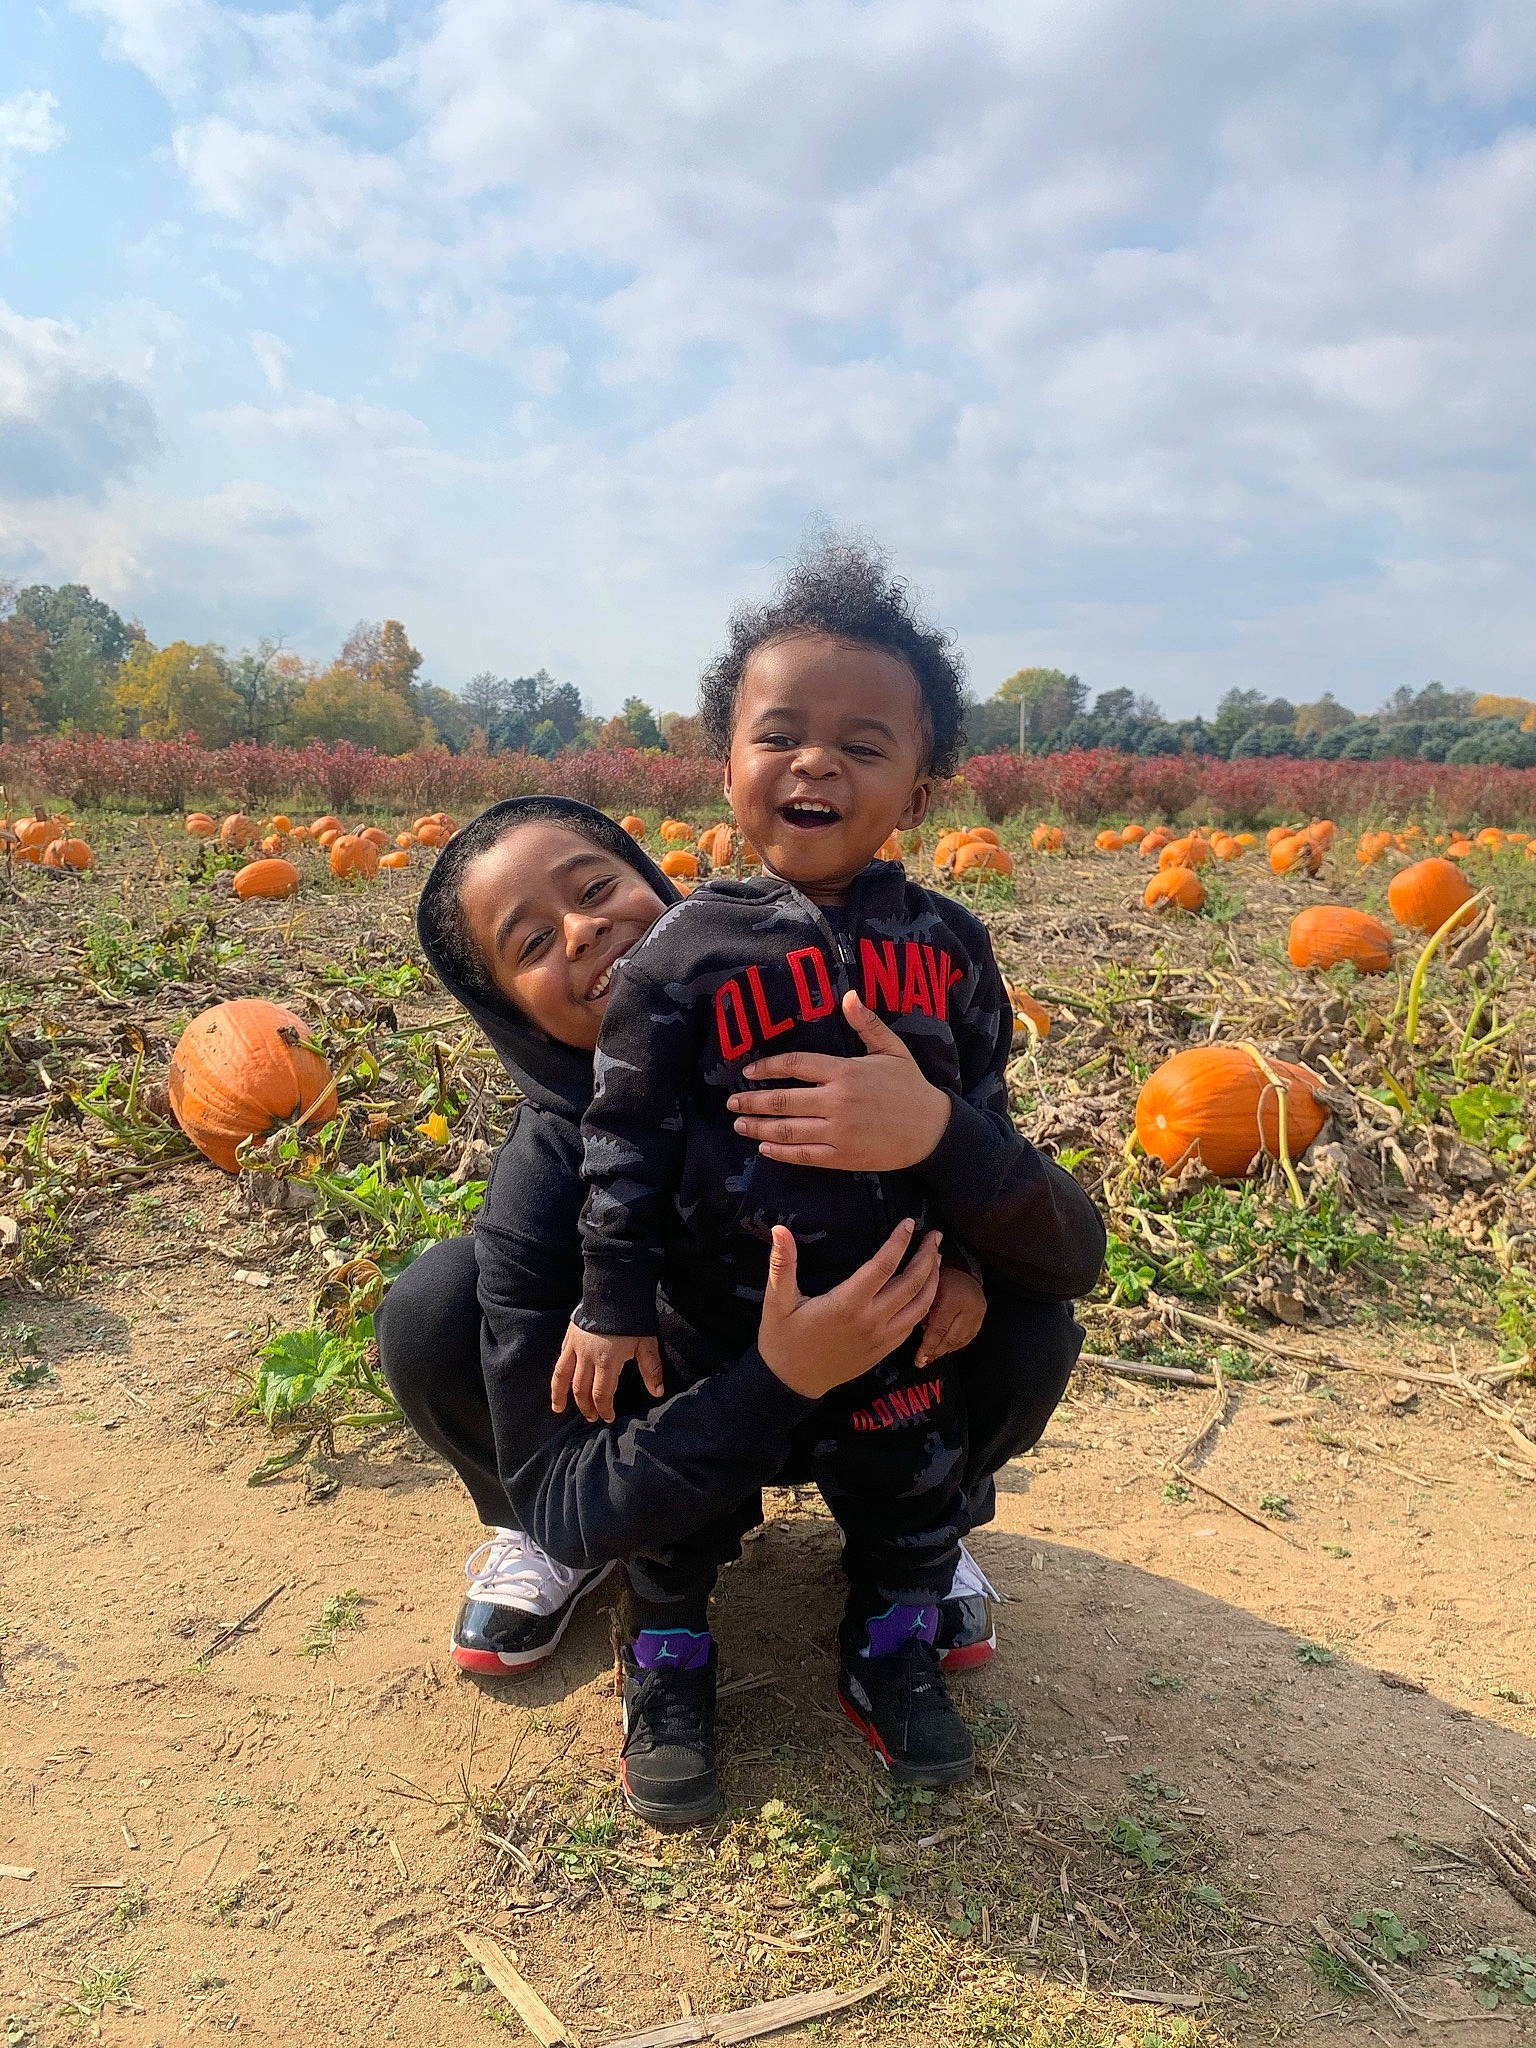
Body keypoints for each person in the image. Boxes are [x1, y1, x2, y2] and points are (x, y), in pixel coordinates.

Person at [554, 542, 1103, 1819]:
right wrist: (614, 1297)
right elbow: (622, 1136)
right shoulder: (680, 956)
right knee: (677, 1510)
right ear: (729, 763)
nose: (818, 763)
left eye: (864, 744)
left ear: (919, 789)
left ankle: (891, 1638)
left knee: (913, 1490)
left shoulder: (953, 948)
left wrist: (968, 1262)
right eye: (782, 733)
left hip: (897, 1315)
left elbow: (983, 1121)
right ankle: (672, 1647)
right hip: (715, 1320)